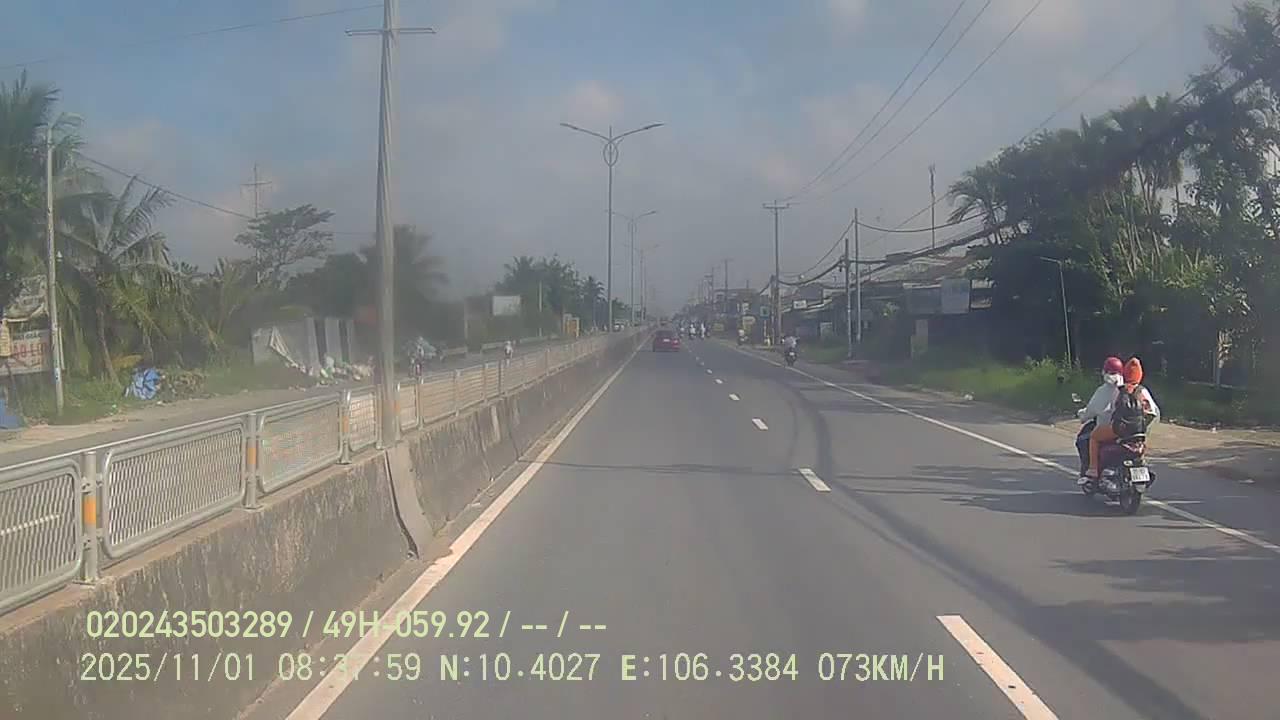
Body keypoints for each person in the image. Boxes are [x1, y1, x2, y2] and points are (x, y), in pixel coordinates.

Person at [1086, 357, 1161, 482]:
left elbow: (1109, 409)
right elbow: (1153, 412)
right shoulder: (1143, 391)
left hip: (1120, 429)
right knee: (1141, 443)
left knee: (1094, 436)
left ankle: (1093, 468)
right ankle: (1141, 461)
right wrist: (1144, 426)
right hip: (1138, 431)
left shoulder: (1120, 390)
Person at [1075, 356, 1125, 480]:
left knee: (1091, 438)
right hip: (1130, 430)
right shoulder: (1130, 388)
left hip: (1111, 429)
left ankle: (1093, 469)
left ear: (1104, 372)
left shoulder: (1104, 390)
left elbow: (1091, 411)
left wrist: (1082, 415)